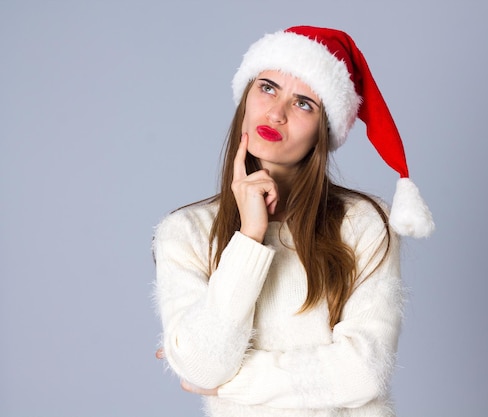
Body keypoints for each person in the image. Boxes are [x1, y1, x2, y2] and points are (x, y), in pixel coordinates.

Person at [152, 25, 434, 417]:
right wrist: (250, 239)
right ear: (245, 96)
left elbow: (364, 372)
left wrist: (229, 383)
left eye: (304, 103)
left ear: (324, 129)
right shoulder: (186, 233)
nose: (277, 113)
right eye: (267, 87)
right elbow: (205, 364)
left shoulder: (364, 225)